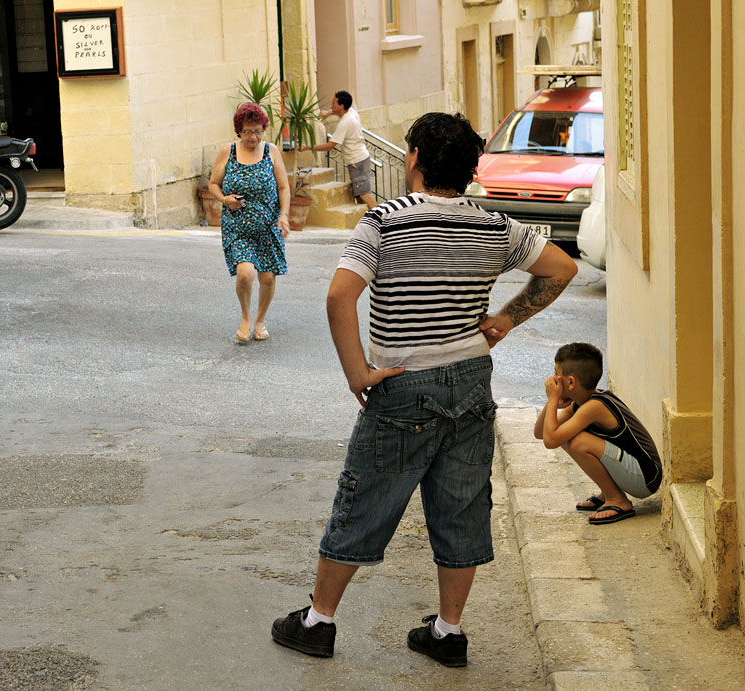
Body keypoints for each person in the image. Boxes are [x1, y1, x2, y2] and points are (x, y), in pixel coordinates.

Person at [271, 112, 578, 665]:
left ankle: (318, 622)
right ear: (468, 169)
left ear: (412, 159)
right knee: (461, 506)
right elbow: (560, 269)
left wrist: (357, 373)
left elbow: (340, 298)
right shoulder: (493, 225)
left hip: (404, 384)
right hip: (469, 381)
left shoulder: (384, 223)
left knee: (364, 499)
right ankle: (448, 632)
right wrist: (506, 319)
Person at [534, 342, 662, 525]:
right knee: (566, 436)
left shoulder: (595, 406)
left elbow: (550, 440)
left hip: (646, 477)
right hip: (634, 472)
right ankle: (608, 492)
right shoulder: (579, 403)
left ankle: (617, 499)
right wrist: (551, 402)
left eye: (556, 374)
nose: (553, 379)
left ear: (570, 382)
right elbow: (541, 433)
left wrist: (553, 398)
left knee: (578, 442)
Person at [208, 102, 290, 342]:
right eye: (247, 132)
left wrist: (284, 215)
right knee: (245, 274)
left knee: (267, 277)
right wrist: (224, 199)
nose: (253, 136)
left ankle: (260, 320)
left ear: (263, 129)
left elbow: (284, 187)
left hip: (268, 225)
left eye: (257, 131)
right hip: (238, 225)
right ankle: (245, 317)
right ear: (239, 131)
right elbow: (213, 183)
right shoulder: (228, 151)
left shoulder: (271, 151)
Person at [301, 90, 375, 208]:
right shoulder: (351, 112)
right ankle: (369, 221)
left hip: (357, 162)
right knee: (359, 196)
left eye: (334, 103)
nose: (331, 105)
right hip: (359, 159)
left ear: (341, 106)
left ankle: (382, 219)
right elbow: (336, 111)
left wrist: (307, 148)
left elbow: (330, 146)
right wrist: (327, 113)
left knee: (364, 194)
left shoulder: (345, 123)